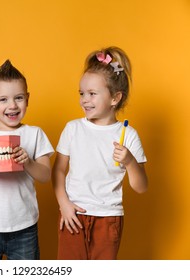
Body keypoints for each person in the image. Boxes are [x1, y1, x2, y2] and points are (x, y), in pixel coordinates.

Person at [52, 46, 148, 260]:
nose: (84, 99)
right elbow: (58, 171)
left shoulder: (128, 135)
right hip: (73, 215)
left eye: (92, 94)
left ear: (115, 98)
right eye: (82, 93)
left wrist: (130, 161)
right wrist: (64, 205)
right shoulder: (73, 128)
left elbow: (141, 187)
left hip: (108, 219)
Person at [0, 60, 54, 260]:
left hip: (24, 226)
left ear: (27, 98)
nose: (12, 105)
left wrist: (29, 163)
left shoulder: (34, 134)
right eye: (3, 100)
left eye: (18, 98)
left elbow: (45, 175)